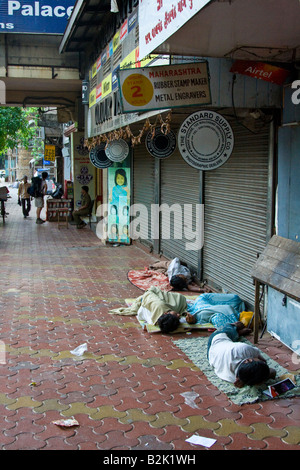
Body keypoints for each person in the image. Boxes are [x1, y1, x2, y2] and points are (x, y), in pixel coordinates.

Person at [207, 322, 276, 388]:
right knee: (231, 332)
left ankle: (235, 329)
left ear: (248, 360)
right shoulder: (236, 378)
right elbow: (272, 371)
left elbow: (268, 367)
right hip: (216, 350)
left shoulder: (243, 349)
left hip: (217, 340)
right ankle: (236, 330)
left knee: (228, 332)